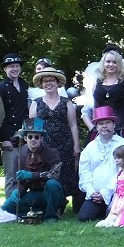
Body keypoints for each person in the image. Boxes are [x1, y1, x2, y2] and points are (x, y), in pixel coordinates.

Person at [29, 66, 81, 211]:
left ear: (58, 83)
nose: (48, 83)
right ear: (41, 84)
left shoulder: (66, 102)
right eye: (45, 81)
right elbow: (33, 127)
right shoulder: (36, 102)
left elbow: (73, 125)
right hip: (44, 145)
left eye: (52, 80)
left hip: (65, 144)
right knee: (47, 173)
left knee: (65, 174)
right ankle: (48, 203)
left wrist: (76, 145)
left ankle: (61, 203)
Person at [1, 118, 66, 223]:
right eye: (30, 137)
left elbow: (54, 175)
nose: (33, 139)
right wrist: (17, 191)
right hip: (34, 194)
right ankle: (37, 213)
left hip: (51, 193)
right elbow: (17, 182)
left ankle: (51, 216)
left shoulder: (51, 153)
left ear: (41, 139)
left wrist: (32, 175)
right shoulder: (19, 157)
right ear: (25, 138)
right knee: (7, 207)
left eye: (37, 137)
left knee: (52, 184)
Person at [78, 106, 124, 222]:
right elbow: (84, 172)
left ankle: (109, 210)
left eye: (108, 122)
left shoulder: (123, 145)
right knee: (84, 217)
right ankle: (101, 210)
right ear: (96, 126)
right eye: (101, 123)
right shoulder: (90, 147)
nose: (104, 126)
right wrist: (92, 192)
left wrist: (105, 192)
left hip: (117, 193)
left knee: (115, 216)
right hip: (95, 194)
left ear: (114, 125)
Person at [0, 52, 29, 197]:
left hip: (26, 136)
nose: (14, 69)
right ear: (5, 69)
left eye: (16, 66)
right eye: (11, 66)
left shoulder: (25, 85)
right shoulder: (0, 87)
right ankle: (10, 206)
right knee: (11, 174)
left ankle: (24, 204)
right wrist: (4, 138)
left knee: (26, 172)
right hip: (9, 135)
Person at [81, 48, 124, 140]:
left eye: (114, 62)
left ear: (119, 64)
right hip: (98, 132)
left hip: (121, 130)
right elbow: (89, 109)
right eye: (108, 61)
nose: (111, 64)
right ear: (103, 63)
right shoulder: (96, 83)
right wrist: (92, 128)